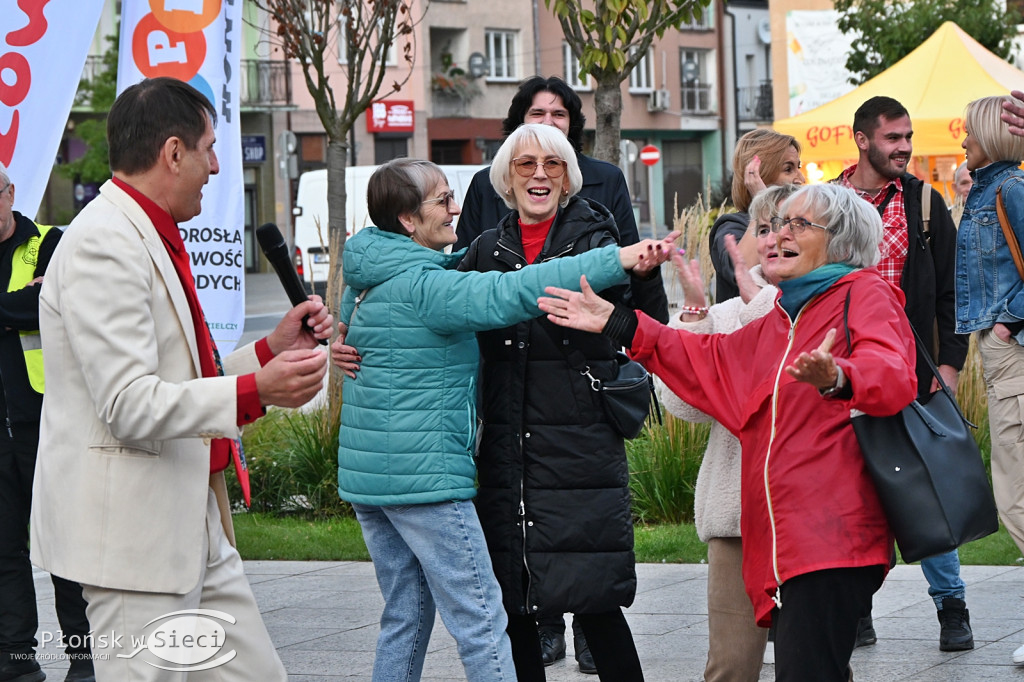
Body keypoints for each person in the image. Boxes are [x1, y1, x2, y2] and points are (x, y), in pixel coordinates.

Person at [539, 182, 918, 682]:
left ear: (841, 241)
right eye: (775, 224)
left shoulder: (862, 291)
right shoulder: (782, 316)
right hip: (784, 541)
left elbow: (894, 375)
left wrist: (841, 377)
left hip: (831, 538)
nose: (777, 235)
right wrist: (620, 323)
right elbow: (707, 361)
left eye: (798, 224)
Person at [29, 77, 334, 681]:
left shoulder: (145, 230)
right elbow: (128, 403)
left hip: (189, 523)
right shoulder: (104, 242)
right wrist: (256, 390)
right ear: (173, 152)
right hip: (134, 543)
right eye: (209, 148)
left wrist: (269, 352)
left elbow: (184, 376)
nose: (218, 166)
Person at [333, 157, 675, 682]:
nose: (456, 208)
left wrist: (340, 338)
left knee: (406, 614)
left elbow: (354, 319)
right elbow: (510, 290)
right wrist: (617, 259)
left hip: (370, 484)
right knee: (482, 619)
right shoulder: (428, 290)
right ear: (406, 220)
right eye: (443, 200)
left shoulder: (369, 272)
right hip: (427, 484)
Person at [460, 76, 669, 673]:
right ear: (506, 177)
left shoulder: (597, 239)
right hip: (505, 447)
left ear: (569, 175)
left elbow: (641, 324)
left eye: (553, 162)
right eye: (525, 163)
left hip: (578, 444)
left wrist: (646, 278)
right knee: (517, 602)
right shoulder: (484, 249)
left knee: (596, 600)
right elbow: (439, 310)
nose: (539, 174)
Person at [836, 95, 972, 651]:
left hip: (912, 375)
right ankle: (857, 609)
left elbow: (951, 290)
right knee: (852, 495)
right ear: (863, 139)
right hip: (841, 377)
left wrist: (950, 364)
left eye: (908, 137)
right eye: (893, 138)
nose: (905, 147)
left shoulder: (922, 202)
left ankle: (952, 607)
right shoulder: (827, 203)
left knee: (927, 491)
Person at [661, 184, 799, 682]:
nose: (776, 239)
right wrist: (696, 320)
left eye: (792, 226)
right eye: (764, 229)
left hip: (808, 522)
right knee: (731, 669)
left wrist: (760, 305)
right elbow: (682, 407)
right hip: (736, 521)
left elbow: (784, 373)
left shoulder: (829, 304)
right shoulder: (720, 315)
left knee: (817, 665)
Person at [0, 163, 94, 682]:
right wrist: (16, 307)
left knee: (64, 547)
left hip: (47, 423)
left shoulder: (49, 243)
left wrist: (31, 302)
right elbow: (23, 307)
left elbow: (50, 304)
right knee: (4, 552)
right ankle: (16, 663)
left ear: (10, 193)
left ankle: (83, 661)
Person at [956, 94, 1024, 665]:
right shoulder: (988, 189)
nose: (962, 141)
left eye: (969, 132)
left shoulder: (1011, 189)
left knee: (1016, 494)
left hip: (1013, 350)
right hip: (1001, 348)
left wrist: (1008, 321)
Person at [708, 128, 804, 302]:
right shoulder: (731, 226)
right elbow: (743, 274)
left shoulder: (799, 224)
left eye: (798, 167)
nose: (800, 179)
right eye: (788, 169)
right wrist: (762, 203)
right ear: (760, 174)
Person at [952, 161, 972, 227]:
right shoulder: (945, 216)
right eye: (964, 183)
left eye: (976, 182)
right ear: (955, 187)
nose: (970, 188)